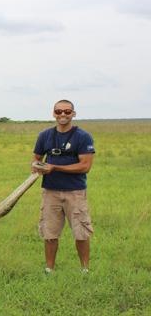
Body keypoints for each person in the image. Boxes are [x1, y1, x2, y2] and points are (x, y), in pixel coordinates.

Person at [32, 99, 95, 274]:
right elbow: (36, 158)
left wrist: (55, 167)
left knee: (81, 233)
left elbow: (85, 166)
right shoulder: (44, 135)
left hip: (75, 192)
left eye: (67, 112)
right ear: (53, 113)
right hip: (50, 191)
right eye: (58, 111)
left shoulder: (83, 136)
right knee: (49, 233)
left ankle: (85, 270)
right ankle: (49, 269)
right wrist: (37, 166)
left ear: (73, 114)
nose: (62, 115)